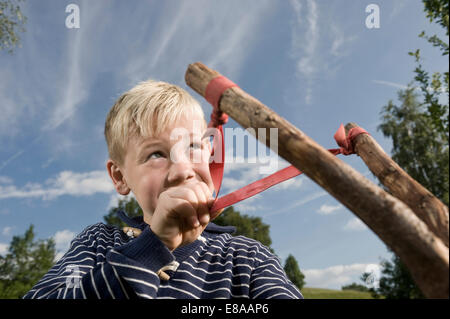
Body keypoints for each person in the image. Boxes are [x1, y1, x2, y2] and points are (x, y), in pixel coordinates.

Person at [23, 80, 303, 299]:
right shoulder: (98, 244)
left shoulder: (247, 257)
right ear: (120, 177)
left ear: (210, 154)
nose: (182, 169)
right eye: (156, 154)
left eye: (192, 147)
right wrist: (151, 248)